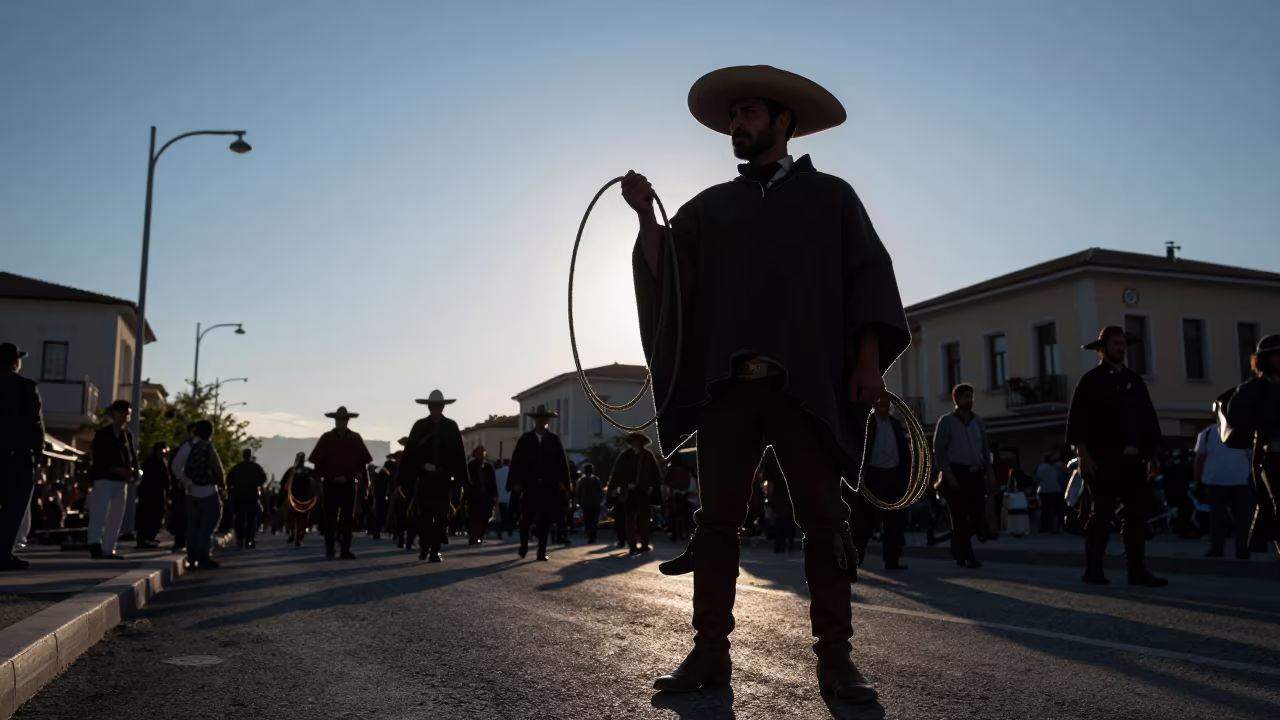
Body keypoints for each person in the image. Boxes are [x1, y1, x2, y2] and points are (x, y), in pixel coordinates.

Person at [625, 66, 909, 701]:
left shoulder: (832, 196)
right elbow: (667, 274)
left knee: (825, 520)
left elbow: (868, 277)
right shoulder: (708, 207)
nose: (736, 124)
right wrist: (646, 215)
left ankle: (837, 659)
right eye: (732, 117)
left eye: (748, 113)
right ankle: (708, 655)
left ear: (783, 123)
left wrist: (869, 364)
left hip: (804, 384)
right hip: (727, 389)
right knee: (715, 523)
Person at [1067, 326, 1167, 587]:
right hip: (1103, 459)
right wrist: (1084, 455)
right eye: (1115, 344)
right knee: (1100, 514)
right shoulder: (1091, 380)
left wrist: (1153, 456)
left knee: (1135, 515)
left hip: (1135, 460)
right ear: (1102, 349)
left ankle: (1137, 571)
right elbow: (1078, 420)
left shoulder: (1135, 381)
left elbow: (1148, 419)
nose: (1120, 348)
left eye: (1123, 344)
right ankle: (1094, 570)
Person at [1226, 334, 1280, 558]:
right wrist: (1264, 422)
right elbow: (1236, 414)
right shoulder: (1256, 387)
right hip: (1274, 454)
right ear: (1266, 358)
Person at [401, 391, 469, 562]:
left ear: (443, 407)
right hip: (424, 478)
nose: (436, 408)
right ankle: (424, 546)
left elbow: (459, 454)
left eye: (439, 405)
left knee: (441, 516)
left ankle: (435, 549)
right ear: (429, 407)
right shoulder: (419, 426)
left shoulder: (451, 426)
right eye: (434, 406)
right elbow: (410, 453)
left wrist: (460, 479)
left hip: (443, 478)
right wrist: (420, 466)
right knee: (424, 515)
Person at [932, 384, 992, 570]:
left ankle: (959, 547)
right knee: (959, 517)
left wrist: (989, 473)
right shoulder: (946, 422)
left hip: (976, 473)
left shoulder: (978, 422)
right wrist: (948, 474)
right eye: (965, 397)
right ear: (956, 399)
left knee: (977, 513)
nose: (969, 400)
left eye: (971, 397)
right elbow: (939, 451)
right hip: (956, 473)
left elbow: (984, 448)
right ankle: (967, 556)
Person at [851, 395, 911, 570]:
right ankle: (856, 558)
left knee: (894, 521)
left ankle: (892, 560)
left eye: (886, 402)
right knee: (864, 522)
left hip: (893, 476)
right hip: (872, 476)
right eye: (879, 401)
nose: (883, 405)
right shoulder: (866, 423)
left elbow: (904, 453)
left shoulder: (895, 424)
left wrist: (906, 479)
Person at [0, 343, 44, 571]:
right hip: (18, 456)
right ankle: (3, 554)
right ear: (16, 361)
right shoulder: (27, 387)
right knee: (13, 508)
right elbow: (35, 424)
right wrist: (39, 455)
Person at [508, 404, 571, 561]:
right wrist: (516, 482)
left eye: (544, 419)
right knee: (526, 518)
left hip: (548, 486)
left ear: (547, 420)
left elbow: (561, 463)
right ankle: (523, 546)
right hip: (529, 485)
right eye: (539, 419)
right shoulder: (526, 439)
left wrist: (563, 482)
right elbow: (516, 462)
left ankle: (541, 551)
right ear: (534, 420)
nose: (542, 421)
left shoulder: (554, 440)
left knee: (545, 520)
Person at [309, 407, 373, 560]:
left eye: (344, 419)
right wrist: (319, 481)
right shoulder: (326, 438)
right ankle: (330, 548)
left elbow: (362, 463)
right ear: (335, 420)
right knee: (329, 517)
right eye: (339, 419)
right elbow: (318, 463)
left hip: (349, 483)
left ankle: (345, 549)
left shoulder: (355, 438)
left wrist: (365, 481)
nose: (342, 421)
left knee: (347, 518)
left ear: (348, 420)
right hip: (330, 483)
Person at [1194, 419, 1253, 559]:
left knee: (1217, 518)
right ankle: (1241, 549)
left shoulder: (1207, 433)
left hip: (1217, 481)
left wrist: (1197, 480)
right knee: (1241, 519)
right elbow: (1253, 459)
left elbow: (1199, 459)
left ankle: (1217, 548)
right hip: (1239, 481)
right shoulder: (1245, 433)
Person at [88, 400, 138, 560]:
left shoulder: (127, 435)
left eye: (128, 414)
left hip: (121, 481)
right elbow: (100, 459)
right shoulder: (103, 434)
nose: (126, 417)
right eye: (123, 413)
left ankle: (110, 548)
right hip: (104, 479)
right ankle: (95, 544)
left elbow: (132, 457)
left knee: (116, 517)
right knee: (100, 513)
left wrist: (134, 471)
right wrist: (118, 469)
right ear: (115, 413)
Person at [608, 432, 662, 555]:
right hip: (628, 492)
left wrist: (651, 488)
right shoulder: (624, 456)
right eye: (634, 441)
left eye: (638, 441)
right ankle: (632, 544)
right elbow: (617, 474)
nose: (636, 443)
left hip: (643, 492)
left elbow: (655, 475)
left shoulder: (648, 455)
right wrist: (623, 485)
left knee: (645, 519)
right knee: (629, 519)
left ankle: (644, 544)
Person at [182, 419, 226, 569]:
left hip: (191, 492)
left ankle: (191, 558)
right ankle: (203, 557)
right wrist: (222, 483)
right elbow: (217, 468)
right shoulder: (208, 447)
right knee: (207, 526)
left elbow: (176, 466)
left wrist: (186, 482)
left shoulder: (188, 446)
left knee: (193, 526)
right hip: (208, 491)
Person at [226, 449, 267, 549]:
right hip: (252, 496)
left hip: (238, 497)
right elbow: (263, 479)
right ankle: (249, 540)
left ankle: (240, 540)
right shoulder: (256, 468)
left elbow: (228, 481)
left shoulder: (237, 468)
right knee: (251, 520)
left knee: (239, 519)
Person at [137, 442, 171, 548]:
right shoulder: (151, 463)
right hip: (150, 493)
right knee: (150, 516)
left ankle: (149, 537)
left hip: (156, 493)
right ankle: (145, 538)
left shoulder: (159, 462)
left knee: (156, 515)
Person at [281, 453, 318, 547]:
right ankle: (298, 535)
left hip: (293, 497)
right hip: (304, 497)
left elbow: (283, 484)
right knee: (301, 517)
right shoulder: (308, 471)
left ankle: (294, 534)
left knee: (292, 517)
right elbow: (315, 483)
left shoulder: (291, 471)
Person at [465, 445, 498, 546]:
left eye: (482, 452)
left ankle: (479, 536)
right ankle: (473, 537)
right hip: (474, 496)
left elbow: (493, 482)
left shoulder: (488, 467)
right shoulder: (471, 465)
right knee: (474, 517)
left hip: (486, 496)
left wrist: (494, 495)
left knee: (484, 517)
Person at [1035, 449, 1069, 534]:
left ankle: (1043, 527)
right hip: (1055, 490)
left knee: (1045, 510)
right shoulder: (1057, 467)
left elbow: (1038, 479)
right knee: (1058, 510)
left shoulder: (1041, 467)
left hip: (1044, 490)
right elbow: (1063, 477)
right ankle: (1057, 528)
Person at [577, 462, 605, 543]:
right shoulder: (596, 480)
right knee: (594, 521)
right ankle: (593, 537)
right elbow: (601, 492)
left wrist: (579, 502)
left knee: (587, 521)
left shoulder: (582, 481)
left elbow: (578, 492)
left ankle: (590, 536)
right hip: (595, 504)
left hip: (586, 504)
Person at [370, 459, 392, 541]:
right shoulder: (384, 472)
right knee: (379, 509)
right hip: (380, 487)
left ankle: (376, 529)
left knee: (378, 509)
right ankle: (377, 529)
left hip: (379, 487)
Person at [494, 458, 513, 540]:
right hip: (509, 496)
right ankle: (508, 531)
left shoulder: (497, 472)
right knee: (508, 515)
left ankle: (501, 530)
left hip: (499, 497)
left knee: (502, 515)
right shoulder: (511, 471)